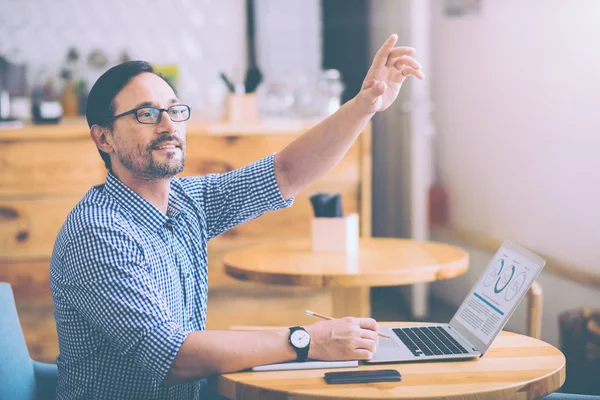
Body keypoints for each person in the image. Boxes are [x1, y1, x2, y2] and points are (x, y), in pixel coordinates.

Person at [49, 34, 424, 399]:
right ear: (104, 139)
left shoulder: (185, 201)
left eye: (175, 110)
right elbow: (173, 357)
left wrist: (365, 104)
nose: (168, 125)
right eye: (146, 114)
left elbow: (287, 173)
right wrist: (308, 340)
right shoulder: (98, 232)